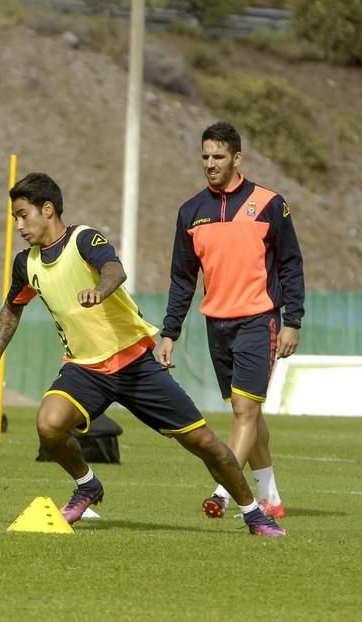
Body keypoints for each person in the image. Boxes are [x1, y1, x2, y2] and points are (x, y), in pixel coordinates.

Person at [0, 171, 286, 537]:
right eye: (15, 218)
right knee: (48, 424)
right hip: (84, 369)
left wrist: (100, 291)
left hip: (134, 365)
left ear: (47, 209)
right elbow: (12, 307)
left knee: (204, 443)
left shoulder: (83, 238)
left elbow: (114, 270)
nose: (19, 225)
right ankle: (87, 485)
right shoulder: (26, 263)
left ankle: (254, 513)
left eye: (23, 215)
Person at [159, 121, 304, 520]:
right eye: (205, 156)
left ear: (237, 158)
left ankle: (224, 491)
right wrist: (170, 331)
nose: (210, 163)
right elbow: (182, 277)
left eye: (218, 156)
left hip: (259, 320)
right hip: (216, 326)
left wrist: (292, 320)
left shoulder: (270, 203)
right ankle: (270, 495)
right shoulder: (190, 212)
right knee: (249, 412)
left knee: (244, 410)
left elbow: (291, 264)